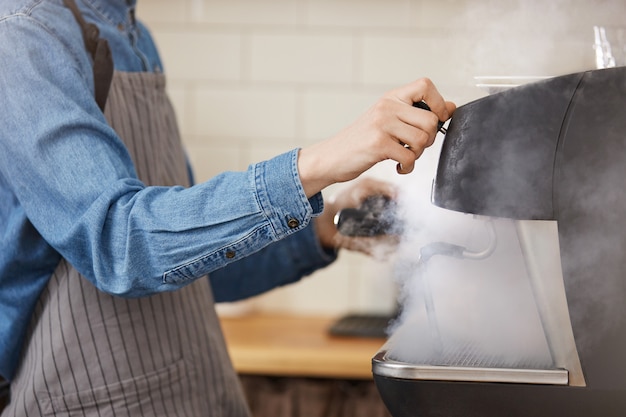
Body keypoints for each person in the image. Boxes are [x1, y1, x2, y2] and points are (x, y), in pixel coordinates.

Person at [0, 0, 455, 415]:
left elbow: (195, 265)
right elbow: (121, 243)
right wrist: (319, 163)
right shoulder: (23, 32)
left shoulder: (135, 37)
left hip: (200, 392)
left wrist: (323, 229)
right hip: (94, 399)